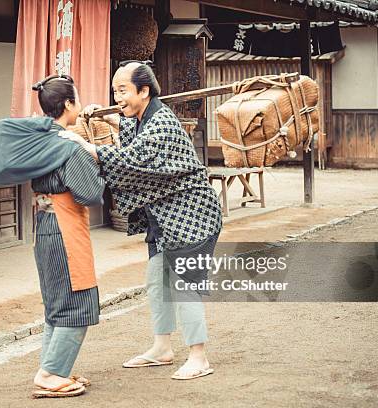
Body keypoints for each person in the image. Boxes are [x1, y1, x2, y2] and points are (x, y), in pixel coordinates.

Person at [60, 61, 222, 380]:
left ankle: (199, 356)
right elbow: (130, 136)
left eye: (123, 90)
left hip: (193, 216)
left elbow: (131, 159)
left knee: (183, 285)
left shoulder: (161, 121)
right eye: (114, 91)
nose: (117, 97)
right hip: (165, 219)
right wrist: (109, 117)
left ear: (144, 91)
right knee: (155, 279)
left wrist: (81, 143)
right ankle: (162, 348)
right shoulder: (140, 118)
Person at [0, 74, 104, 398]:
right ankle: (51, 375)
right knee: (78, 303)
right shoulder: (68, 147)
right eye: (76, 99)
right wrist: (95, 157)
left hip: (44, 228)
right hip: (65, 229)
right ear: (69, 104)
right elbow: (90, 193)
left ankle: (53, 367)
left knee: (56, 306)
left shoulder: (41, 141)